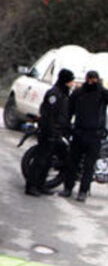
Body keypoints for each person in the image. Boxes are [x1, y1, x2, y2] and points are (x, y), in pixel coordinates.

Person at [58, 71, 108, 202]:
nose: (91, 82)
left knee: (89, 166)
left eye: (94, 80)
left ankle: (83, 191)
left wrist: (100, 87)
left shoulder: (101, 93)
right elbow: (69, 110)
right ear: (86, 79)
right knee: (72, 163)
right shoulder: (79, 92)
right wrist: (68, 127)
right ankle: (68, 188)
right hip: (79, 132)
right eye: (90, 79)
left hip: (94, 134)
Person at [26, 68, 75, 197]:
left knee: (48, 161)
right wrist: (51, 131)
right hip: (49, 132)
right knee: (40, 160)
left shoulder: (64, 94)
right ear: (65, 80)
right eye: (71, 80)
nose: (72, 83)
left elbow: (63, 115)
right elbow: (49, 115)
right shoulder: (54, 93)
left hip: (57, 133)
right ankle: (31, 186)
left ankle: (41, 185)